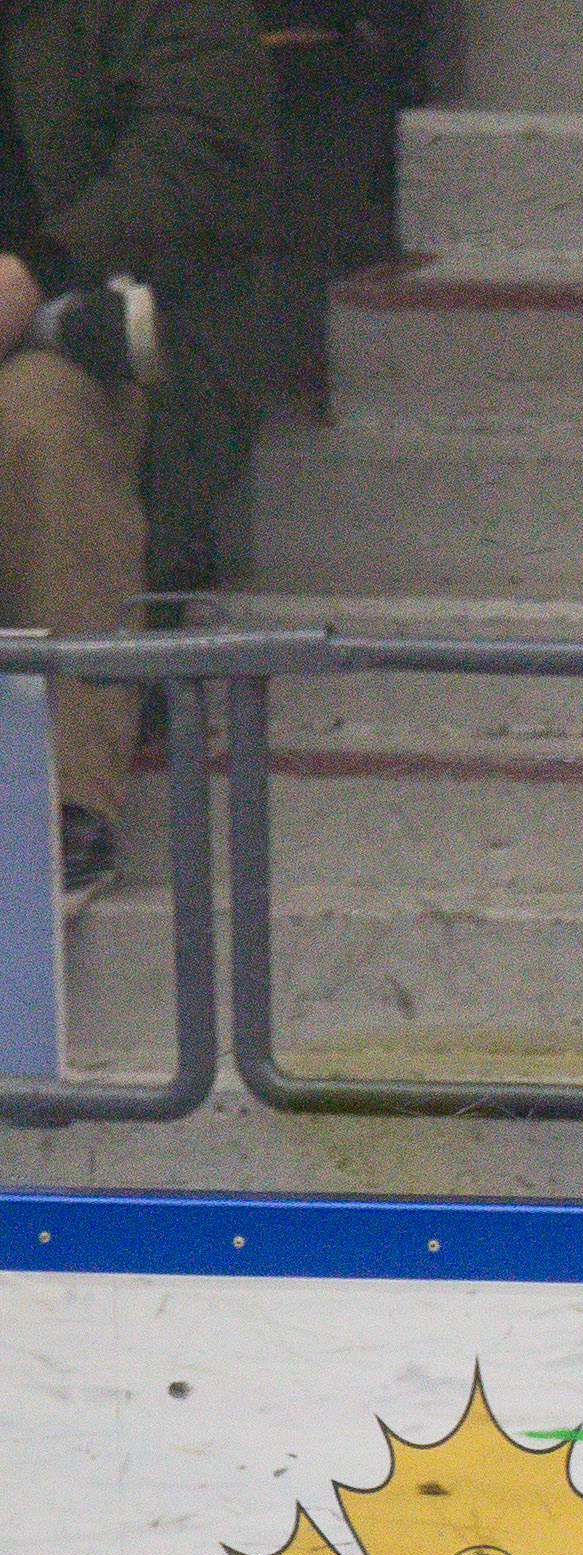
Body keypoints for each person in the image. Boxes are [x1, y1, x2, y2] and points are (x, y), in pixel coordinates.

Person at [2, 0, 269, 897]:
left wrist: (35, 271)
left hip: (131, 342)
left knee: (43, 418)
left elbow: (195, 157)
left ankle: (65, 803)